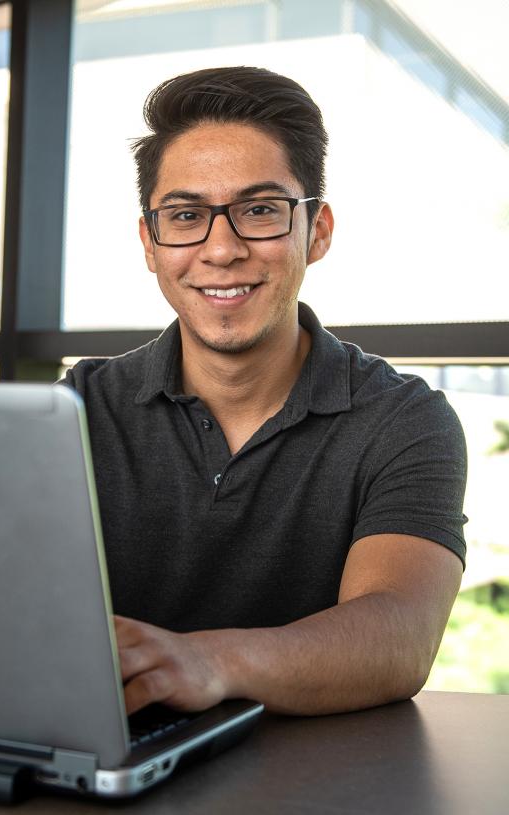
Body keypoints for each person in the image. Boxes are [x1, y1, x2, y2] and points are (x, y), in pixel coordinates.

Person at [61, 66, 467, 717]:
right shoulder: (77, 408)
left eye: (258, 211)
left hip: (327, 783)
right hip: (112, 763)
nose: (220, 249)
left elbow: (398, 635)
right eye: (186, 215)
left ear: (318, 230)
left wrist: (205, 660)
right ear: (149, 242)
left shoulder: (403, 419)